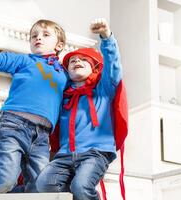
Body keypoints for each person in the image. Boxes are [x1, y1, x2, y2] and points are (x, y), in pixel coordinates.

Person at [0, 19, 68, 193]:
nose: (38, 38)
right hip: (14, 125)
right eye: (34, 36)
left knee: (40, 187)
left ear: (59, 45)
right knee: (6, 180)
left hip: (42, 136)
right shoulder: (26, 61)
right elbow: (1, 59)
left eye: (45, 35)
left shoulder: (64, 73)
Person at [36, 18, 128, 200]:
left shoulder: (103, 89)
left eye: (83, 60)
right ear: (67, 71)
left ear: (94, 66)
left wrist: (106, 37)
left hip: (95, 152)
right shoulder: (63, 96)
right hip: (64, 155)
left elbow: (113, 66)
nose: (77, 61)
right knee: (43, 183)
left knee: (81, 186)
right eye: (72, 61)